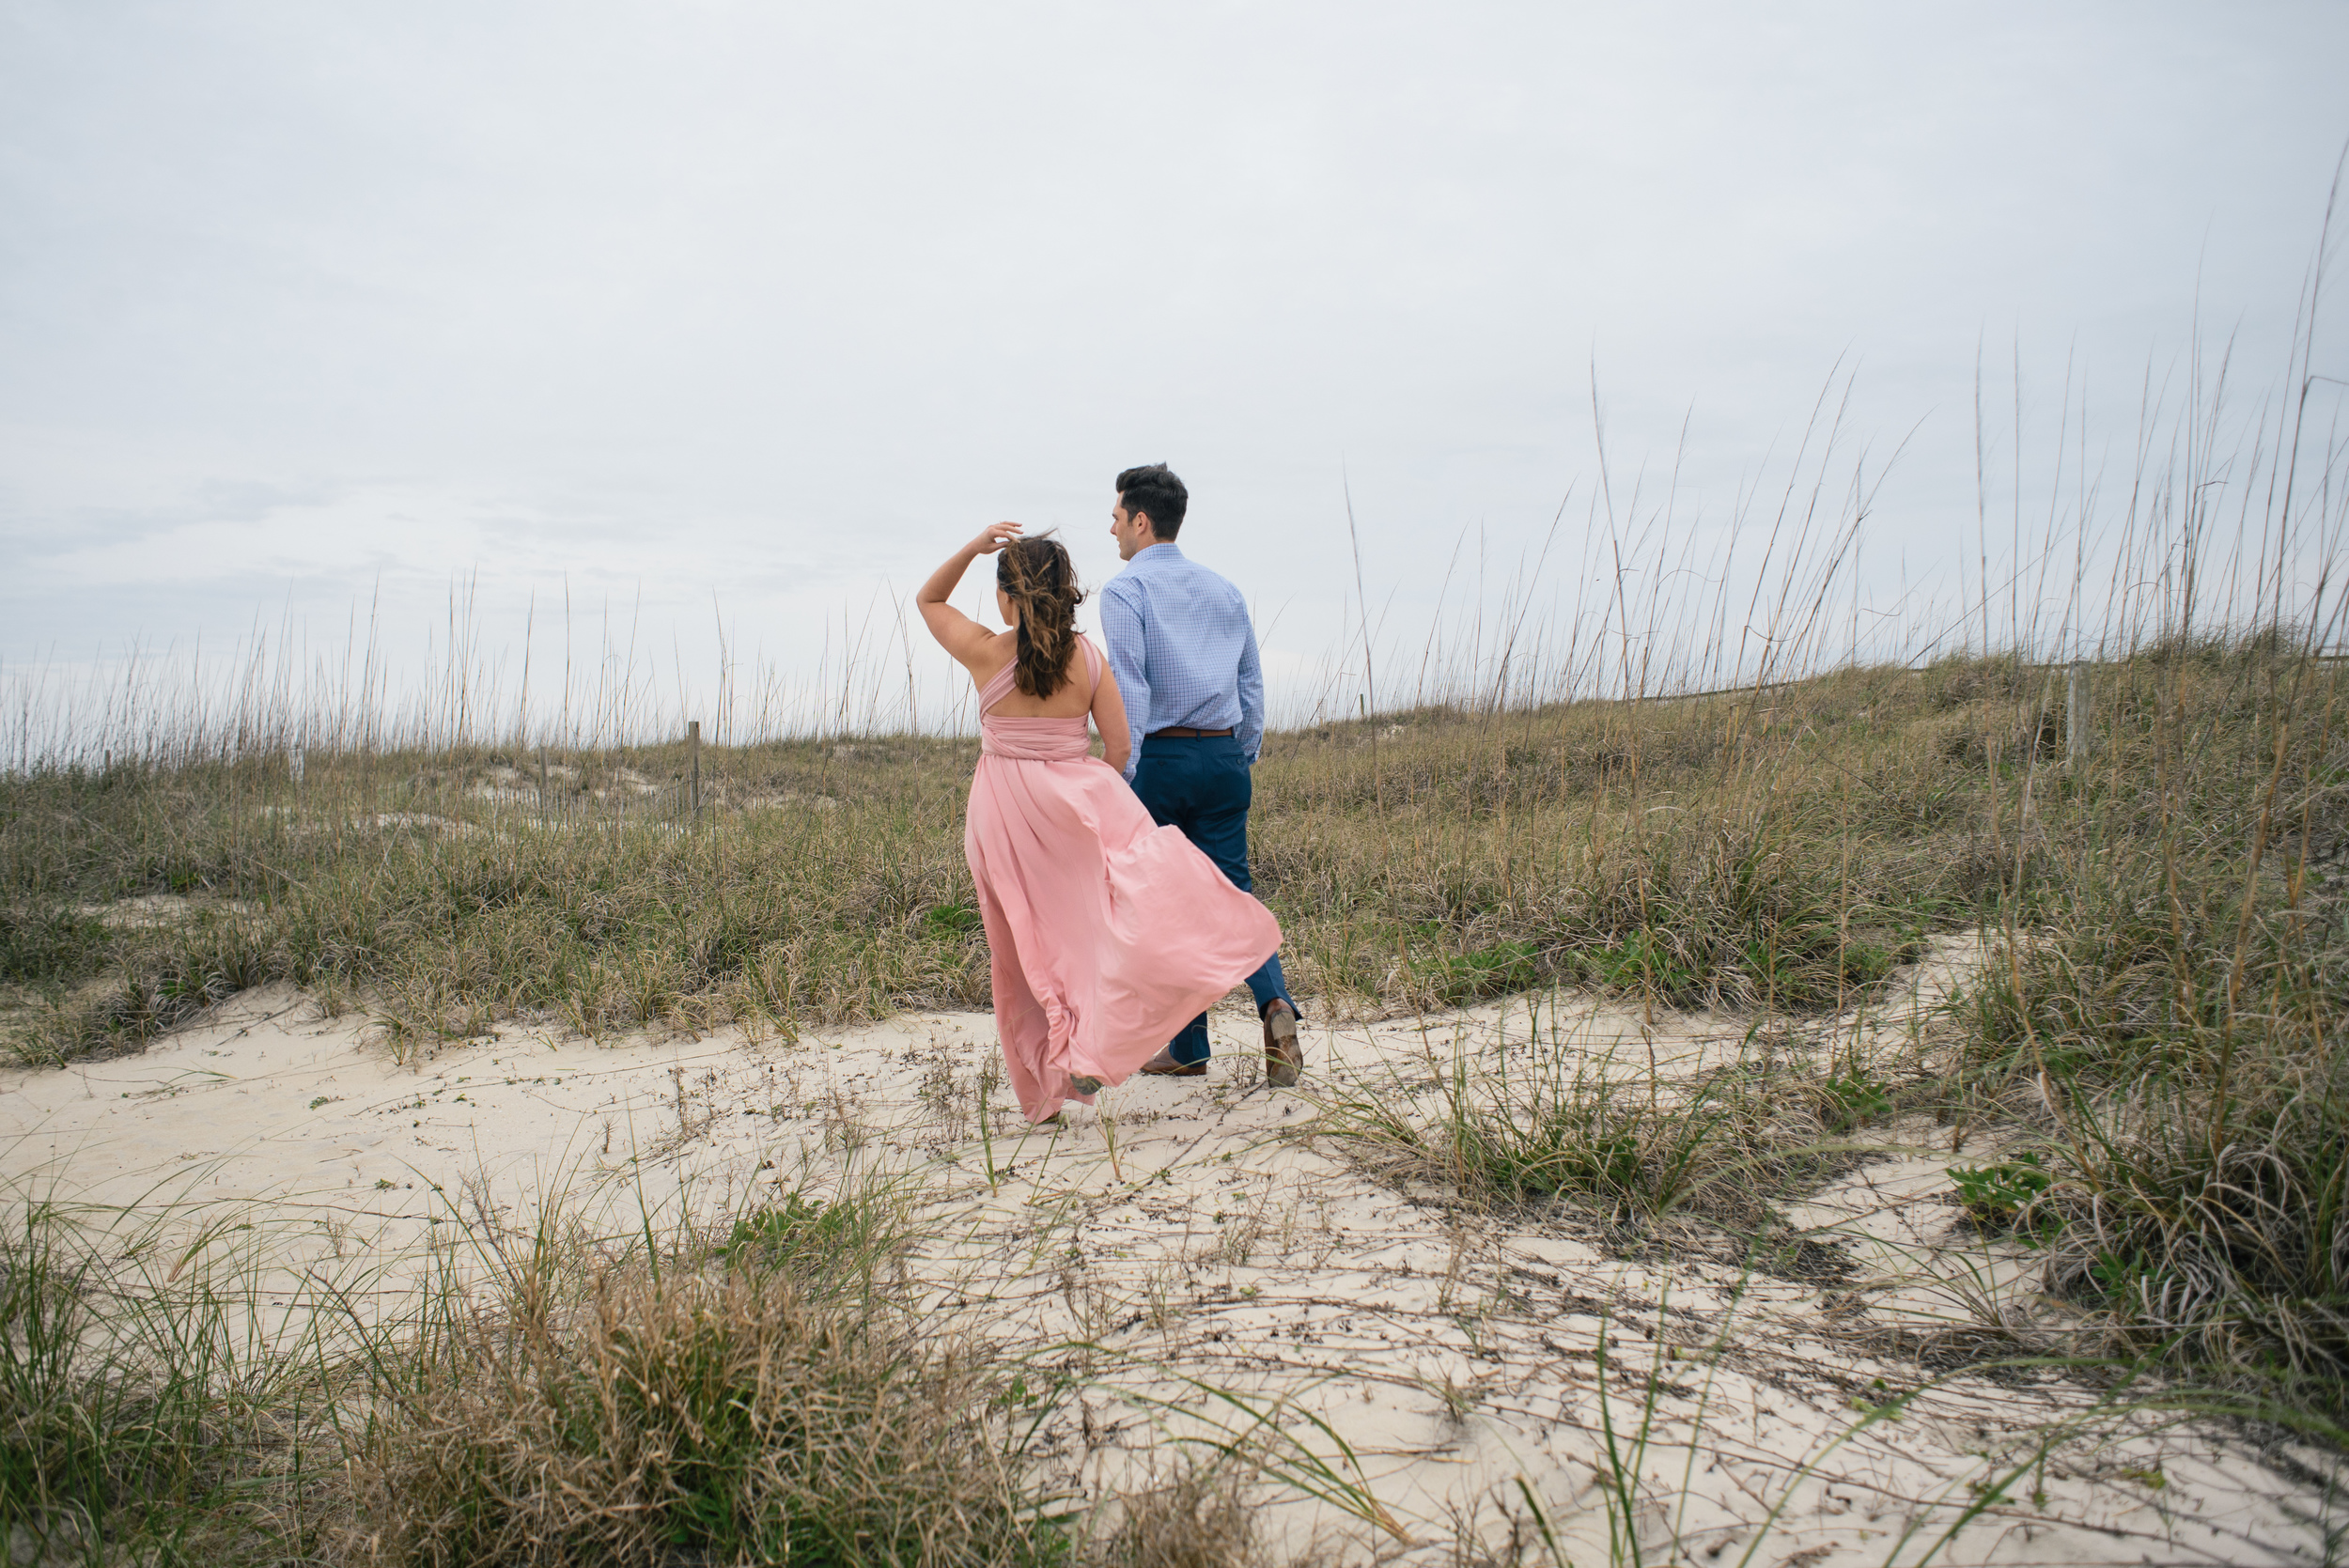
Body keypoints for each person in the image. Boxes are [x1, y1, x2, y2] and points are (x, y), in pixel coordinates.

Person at [915, 522, 1283, 1125]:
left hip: (1001, 818)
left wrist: (974, 546)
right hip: (1074, 810)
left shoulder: (984, 652)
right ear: (1064, 593)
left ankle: (1048, 1082)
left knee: (1019, 950)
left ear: (1009, 597)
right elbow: (1118, 747)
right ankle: (1093, 1044)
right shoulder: (1086, 658)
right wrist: (1085, 795)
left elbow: (930, 600)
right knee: (1090, 935)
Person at [1099, 464, 1304, 1086]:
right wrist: (1241, 753)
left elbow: (1130, 689)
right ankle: (1274, 1004)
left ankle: (1189, 1046)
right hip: (1221, 758)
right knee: (1233, 894)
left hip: (1159, 759)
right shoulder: (1225, 590)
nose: (1110, 529)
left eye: (1115, 517)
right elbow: (1250, 682)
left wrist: (1123, 774)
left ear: (1141, 520)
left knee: (1167, 905)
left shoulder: (1124, 592)